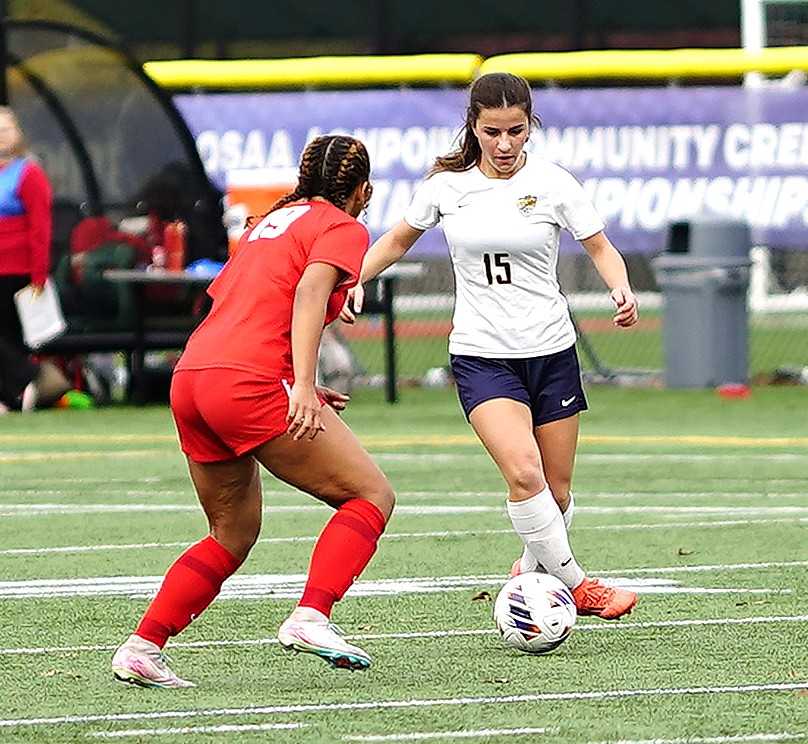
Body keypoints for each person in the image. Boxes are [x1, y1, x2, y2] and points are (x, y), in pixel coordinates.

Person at [341, 73, 638, 620]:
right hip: (482, 355)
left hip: (551, 351)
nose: (504, 145)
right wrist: (355, 276)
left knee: (557, 491)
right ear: (473, 128)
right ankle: (579, 586)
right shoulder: (445, 187)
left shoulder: (554, 183)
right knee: (524, 474)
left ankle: (529, 573)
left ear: (531, 127)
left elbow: (601, 248)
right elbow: (397, 240)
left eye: (516, 132)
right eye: (492, 132)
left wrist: (619, 285)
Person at [112, 135, 395, 688]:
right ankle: (312, 616)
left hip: (194, 377)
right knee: (370, 496)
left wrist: (291, 379)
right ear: (362, 190)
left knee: (231, 532)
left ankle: (142, 646)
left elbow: (241, 305)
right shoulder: (343, 225)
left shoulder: (271, 221)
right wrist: (305, 386)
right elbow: (309, 296)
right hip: (247, 381)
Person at [0, 106, 66, 412]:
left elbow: (41, 227)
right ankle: (15, 392)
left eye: (6, 129)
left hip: (17, 270)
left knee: (11, 336)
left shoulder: (28, 173)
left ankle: (33, 380)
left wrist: (39, 274)